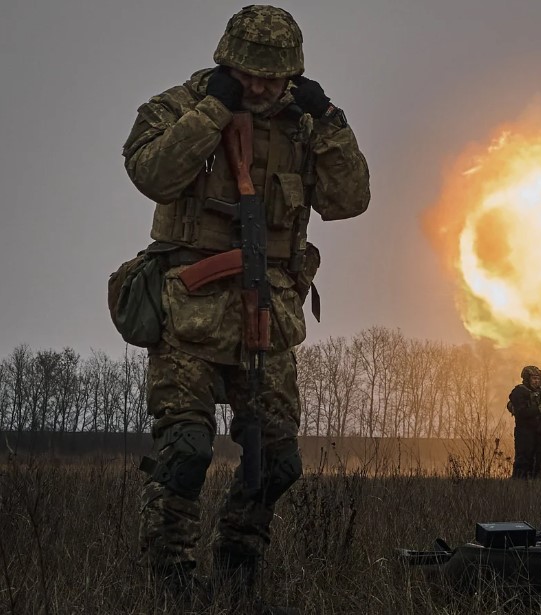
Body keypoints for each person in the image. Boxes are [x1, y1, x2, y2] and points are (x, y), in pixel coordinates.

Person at [121, 5, 370, 594]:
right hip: (190, 316)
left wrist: (331, 121)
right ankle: (172, 583)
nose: (260, 87)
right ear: (227, 63)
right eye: (249, 74)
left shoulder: (306, 125)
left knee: (278, 461)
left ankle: (237, 574)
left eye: (273, 76)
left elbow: (349, 199)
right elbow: (152, 174)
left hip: (269, 316)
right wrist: (213, 110)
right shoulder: (180, 106)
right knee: (184, 453)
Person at [508, 365, 541, 479]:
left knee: (540, 459)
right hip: (525, 431)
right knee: (524, 461)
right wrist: (537, 410)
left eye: (538, 379)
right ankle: (520, 486)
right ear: (527, 379)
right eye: (534, 379)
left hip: (540, 431)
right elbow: (520, 413)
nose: (536, 382)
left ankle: (538, 486)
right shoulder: (519, 392)